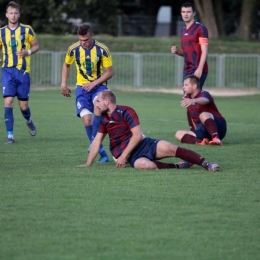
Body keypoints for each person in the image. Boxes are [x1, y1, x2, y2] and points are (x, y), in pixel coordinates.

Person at [79, 90, 220, 172]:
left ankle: (206, 164)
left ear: (107, 102)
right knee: (144, 165)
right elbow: (97, 141)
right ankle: (177, 166)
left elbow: (137, 135)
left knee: (169, 147)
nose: (95, 105)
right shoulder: (104, 119)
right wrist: (88, 164)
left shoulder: (126, 111)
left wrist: (123, 156)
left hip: (142, 143)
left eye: (98, 102)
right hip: (129, 154)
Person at [61, 23, 113, 163]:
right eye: (81, 40)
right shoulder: (73, 49)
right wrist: (64, 84)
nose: (83, 43)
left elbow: (110, 72)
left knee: (99, 108)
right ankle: (102, 154)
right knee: (87, 119)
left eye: (86, 40)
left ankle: (101, 142)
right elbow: (66, 65)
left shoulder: (102, 50)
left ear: (92, 36)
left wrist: (94, 83)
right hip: (82, 88)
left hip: (99, 86)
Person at [0, 1, 39, 144]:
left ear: (19, 14)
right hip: (7, 71)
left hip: (23, 72)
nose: (13, 15)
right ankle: (10, 135)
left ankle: (28, 120)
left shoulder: (27, 30)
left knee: (23, 106)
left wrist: (27, 52)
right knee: (8, 101)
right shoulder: (1, 32)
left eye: (16, 13)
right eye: (11, 13)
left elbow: (36, 46)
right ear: (6, 15)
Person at [175, 75, 227, 145]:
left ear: (194, 86)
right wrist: (195, 132)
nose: (183, 87)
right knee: (178, 134)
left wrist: (194, 100)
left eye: (186, 85)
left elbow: (205, 100)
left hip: (218, 127)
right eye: (183, 85)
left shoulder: (204, 94)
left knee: (203, 114)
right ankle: (202, 142)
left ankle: (216, 138)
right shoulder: (188, 98)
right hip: (203, 130)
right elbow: (193, 119)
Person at [171, 2, 209, 89]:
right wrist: (177, 51)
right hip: (186, 69)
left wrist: (200, 68)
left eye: (188, 12)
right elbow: (186, 52)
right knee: (188, 98)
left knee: (191, 98)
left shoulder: (201, 28)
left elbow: (204, 51)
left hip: (197, 69)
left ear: (194, 13)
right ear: (181, 13)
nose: (186, 14)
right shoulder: (183, 30)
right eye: (183, 12)